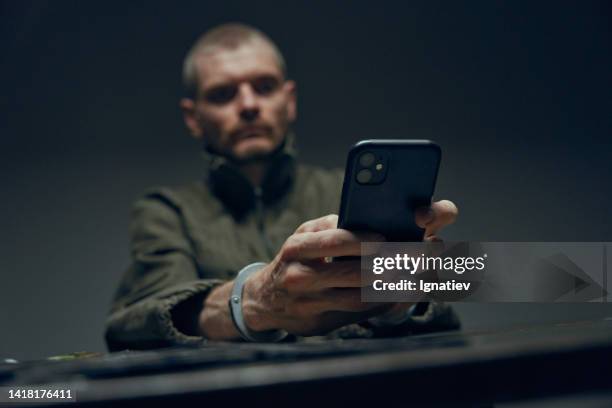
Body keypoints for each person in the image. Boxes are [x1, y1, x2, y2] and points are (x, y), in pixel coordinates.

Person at [105, 23, 460, 351]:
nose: (248, 105)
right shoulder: (167, 211)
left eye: (264, 87)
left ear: (289, 101)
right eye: (222, 94)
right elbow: (137, 320)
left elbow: (449, 317)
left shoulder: (342, 190)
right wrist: (254, 302)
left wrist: (404, 298)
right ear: (193, 117)